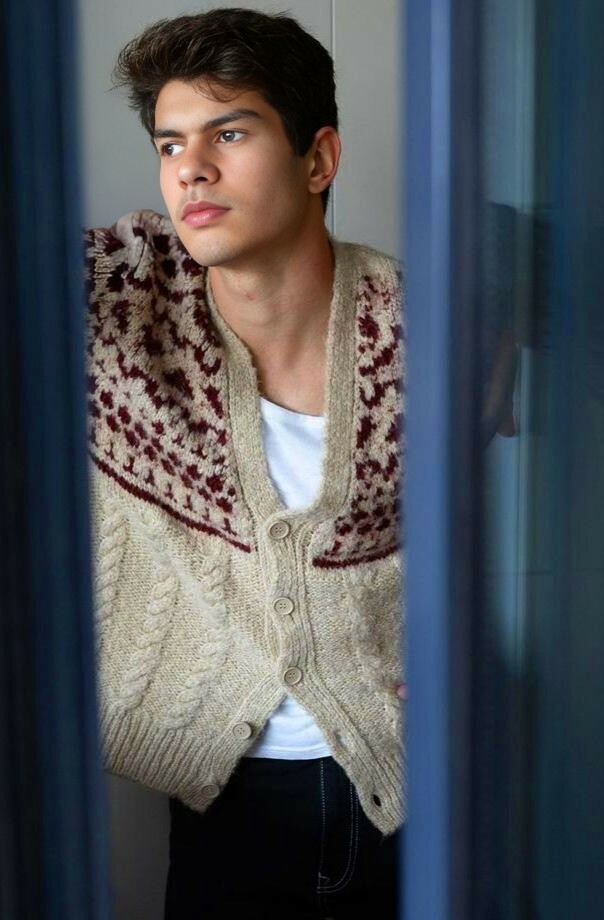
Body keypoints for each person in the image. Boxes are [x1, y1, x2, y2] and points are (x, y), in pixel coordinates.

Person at [85, 8, 405, 918]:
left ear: (318, 159)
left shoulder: (420, 325)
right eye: (170, 143)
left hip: (409, 788)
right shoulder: (126, 301)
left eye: (229, 134)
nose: (191, 167)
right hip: (223, 801)